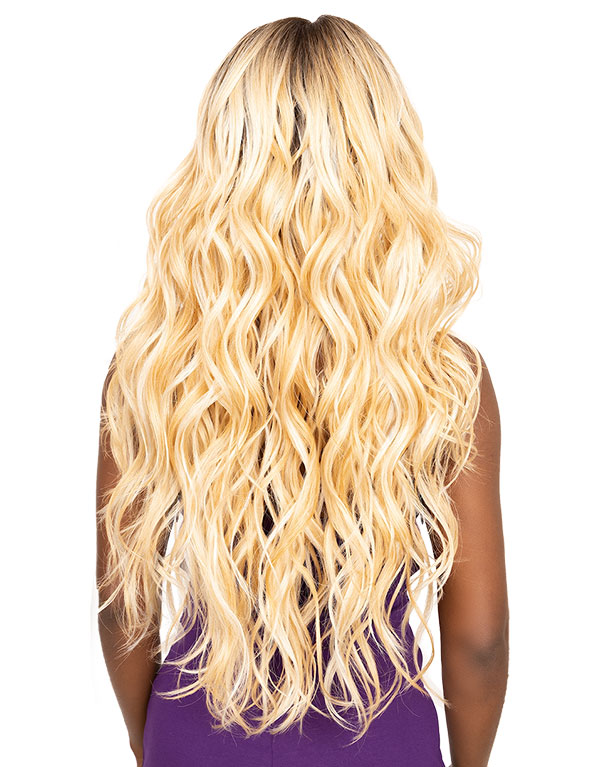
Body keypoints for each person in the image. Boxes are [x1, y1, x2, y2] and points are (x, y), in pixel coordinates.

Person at [96, 14, 509, 767]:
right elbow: (479, 641)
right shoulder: (443, 378)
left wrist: (147, 738)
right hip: (380, 741)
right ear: (384, 159)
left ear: (223, 159)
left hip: (199, 736)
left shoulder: (155, 369)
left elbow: (125, 607)